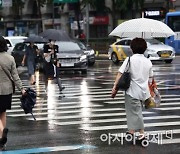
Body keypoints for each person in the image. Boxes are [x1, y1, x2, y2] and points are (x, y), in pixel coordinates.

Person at [112, 38, 153, 143]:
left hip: (132, 91)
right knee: (133, 110)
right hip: (144, 92)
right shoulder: (148, 61)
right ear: (144, 48)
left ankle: (142, 134)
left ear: (132, 48)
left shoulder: (129, 60)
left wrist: (115, 87)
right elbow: (150, 78)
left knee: (136, 111)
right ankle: (131, 131)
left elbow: (120, 73)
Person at [0, 36, 26, 149]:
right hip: (7, 90)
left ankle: (2, 131)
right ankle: (2, 138)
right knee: (3, 113)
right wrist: (22, 89)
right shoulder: (10, 58)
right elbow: (15, 76)